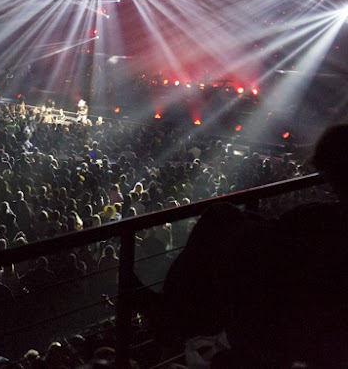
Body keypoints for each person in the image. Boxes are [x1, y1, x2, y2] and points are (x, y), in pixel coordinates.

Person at [143, 123, 348, 368]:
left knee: (221, 217)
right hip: (299, 314)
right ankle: (171, 313)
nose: (326, 184)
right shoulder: (323, 219)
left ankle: (169, 313)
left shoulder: (322, 223)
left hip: (289, 320)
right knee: (226, 222)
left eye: (328, 177)